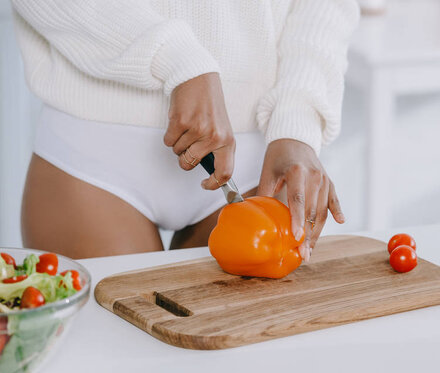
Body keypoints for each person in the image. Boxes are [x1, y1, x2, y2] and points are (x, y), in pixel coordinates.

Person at [11, 1, 359, 260]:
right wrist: (175, 58)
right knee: (114, 353)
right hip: (95, 157)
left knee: (246, 355)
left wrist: (296, 124)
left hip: (260, 161)